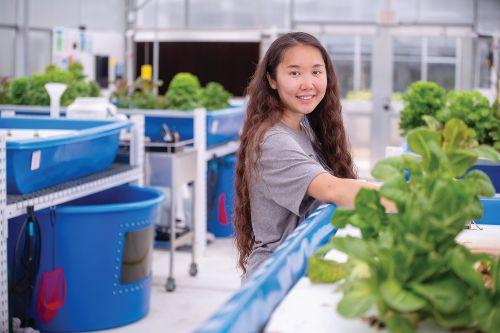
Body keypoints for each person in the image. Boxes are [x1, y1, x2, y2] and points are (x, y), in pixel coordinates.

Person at [234, 32, 395, 281]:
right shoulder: (273, 142)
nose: (308, 83)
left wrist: (394, 189)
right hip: (274, 279)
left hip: (300, 263)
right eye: (295, 73)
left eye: (316, 72)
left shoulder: (304, 128)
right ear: (272, 80)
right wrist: (410, 201)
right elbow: (332, 189)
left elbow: (342, 185)